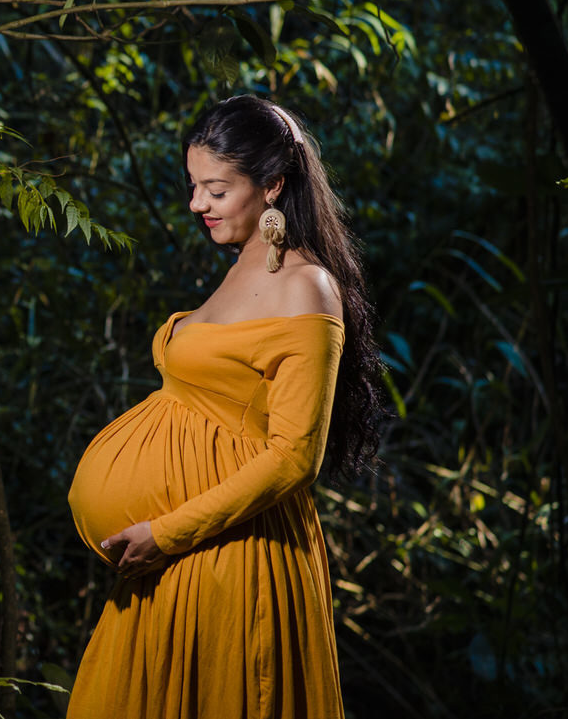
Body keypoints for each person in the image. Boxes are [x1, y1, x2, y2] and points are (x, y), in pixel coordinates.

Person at [66, 94, 383, 718]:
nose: (196, 205)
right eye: (192, 186)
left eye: (215, 189)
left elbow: (294, 458)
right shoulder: (243, 263)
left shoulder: (304, 285)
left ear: (272, 186)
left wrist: (164, 532)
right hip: (177, 562)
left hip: (231, 556)